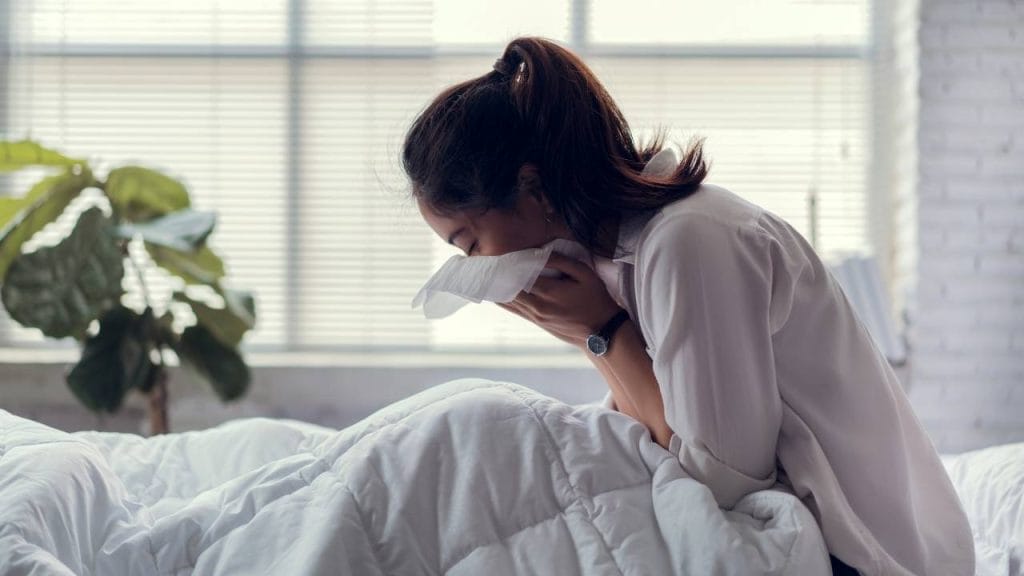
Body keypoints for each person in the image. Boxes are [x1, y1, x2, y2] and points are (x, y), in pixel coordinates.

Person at [402, 36, 975, 576]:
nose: (478, 269)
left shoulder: (689, 241)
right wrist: (592, 331)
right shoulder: (617, 260)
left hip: (866, 550)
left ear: (532, 187)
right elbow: (651, 431)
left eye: (469, 244)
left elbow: (722, 480)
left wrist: (600, 330)